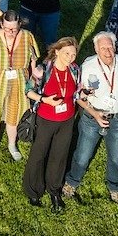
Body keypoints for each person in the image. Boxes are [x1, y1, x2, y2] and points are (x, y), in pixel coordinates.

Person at [62, 32, 118, 206]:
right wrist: (94, 113)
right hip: (92, 116)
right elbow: (78, 95)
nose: (107, 52)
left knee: (116, 156)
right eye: (103, 48)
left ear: (115, 46)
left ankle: (115, 187)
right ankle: (72, 182)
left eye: (110, 47)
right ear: (96, 49)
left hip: (117, 118)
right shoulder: (88, 66)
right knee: (83, 153)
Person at [22, 37, 81, 213]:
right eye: (66, 53)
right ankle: (34, 190)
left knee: (60, 156)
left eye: (73, 54)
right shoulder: (43, 70)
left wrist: (85, 93)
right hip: (46, 119)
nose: (70, 57)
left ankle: (54, 190)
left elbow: (77, 91)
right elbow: (28, 91)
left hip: (67, 120)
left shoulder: (75, 69)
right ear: (56, 51)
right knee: (39, 154)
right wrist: (44, 99)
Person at [0, 10, 39, 161]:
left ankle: (11, 144)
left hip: (19, 80)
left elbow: (34, 58)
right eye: (7, 28)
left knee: (14, 111)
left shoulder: (28, 36)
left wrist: (34, 75)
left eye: (14, 28)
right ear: (1, 24)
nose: (11, 32)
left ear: (20, 24)